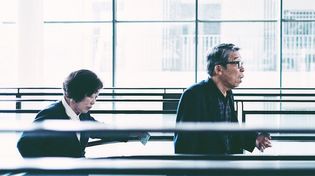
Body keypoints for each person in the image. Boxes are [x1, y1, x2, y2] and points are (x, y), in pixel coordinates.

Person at [17, 69, 150, 158]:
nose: (93, 102)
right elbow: (24, 145)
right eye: (90, 96)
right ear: (76, 94)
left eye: (96, 97)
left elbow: (100, 130)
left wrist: (132, 132)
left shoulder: (82, 114)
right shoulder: (50, 114)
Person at [174, 43, 272, 154]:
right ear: (219, 69)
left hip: (226, 166)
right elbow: (184, 145)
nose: (242, 69)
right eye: (237, 63)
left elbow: (232, 132)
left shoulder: (228, 93)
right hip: (207, 169)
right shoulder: (193, 95)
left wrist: (255, 139)